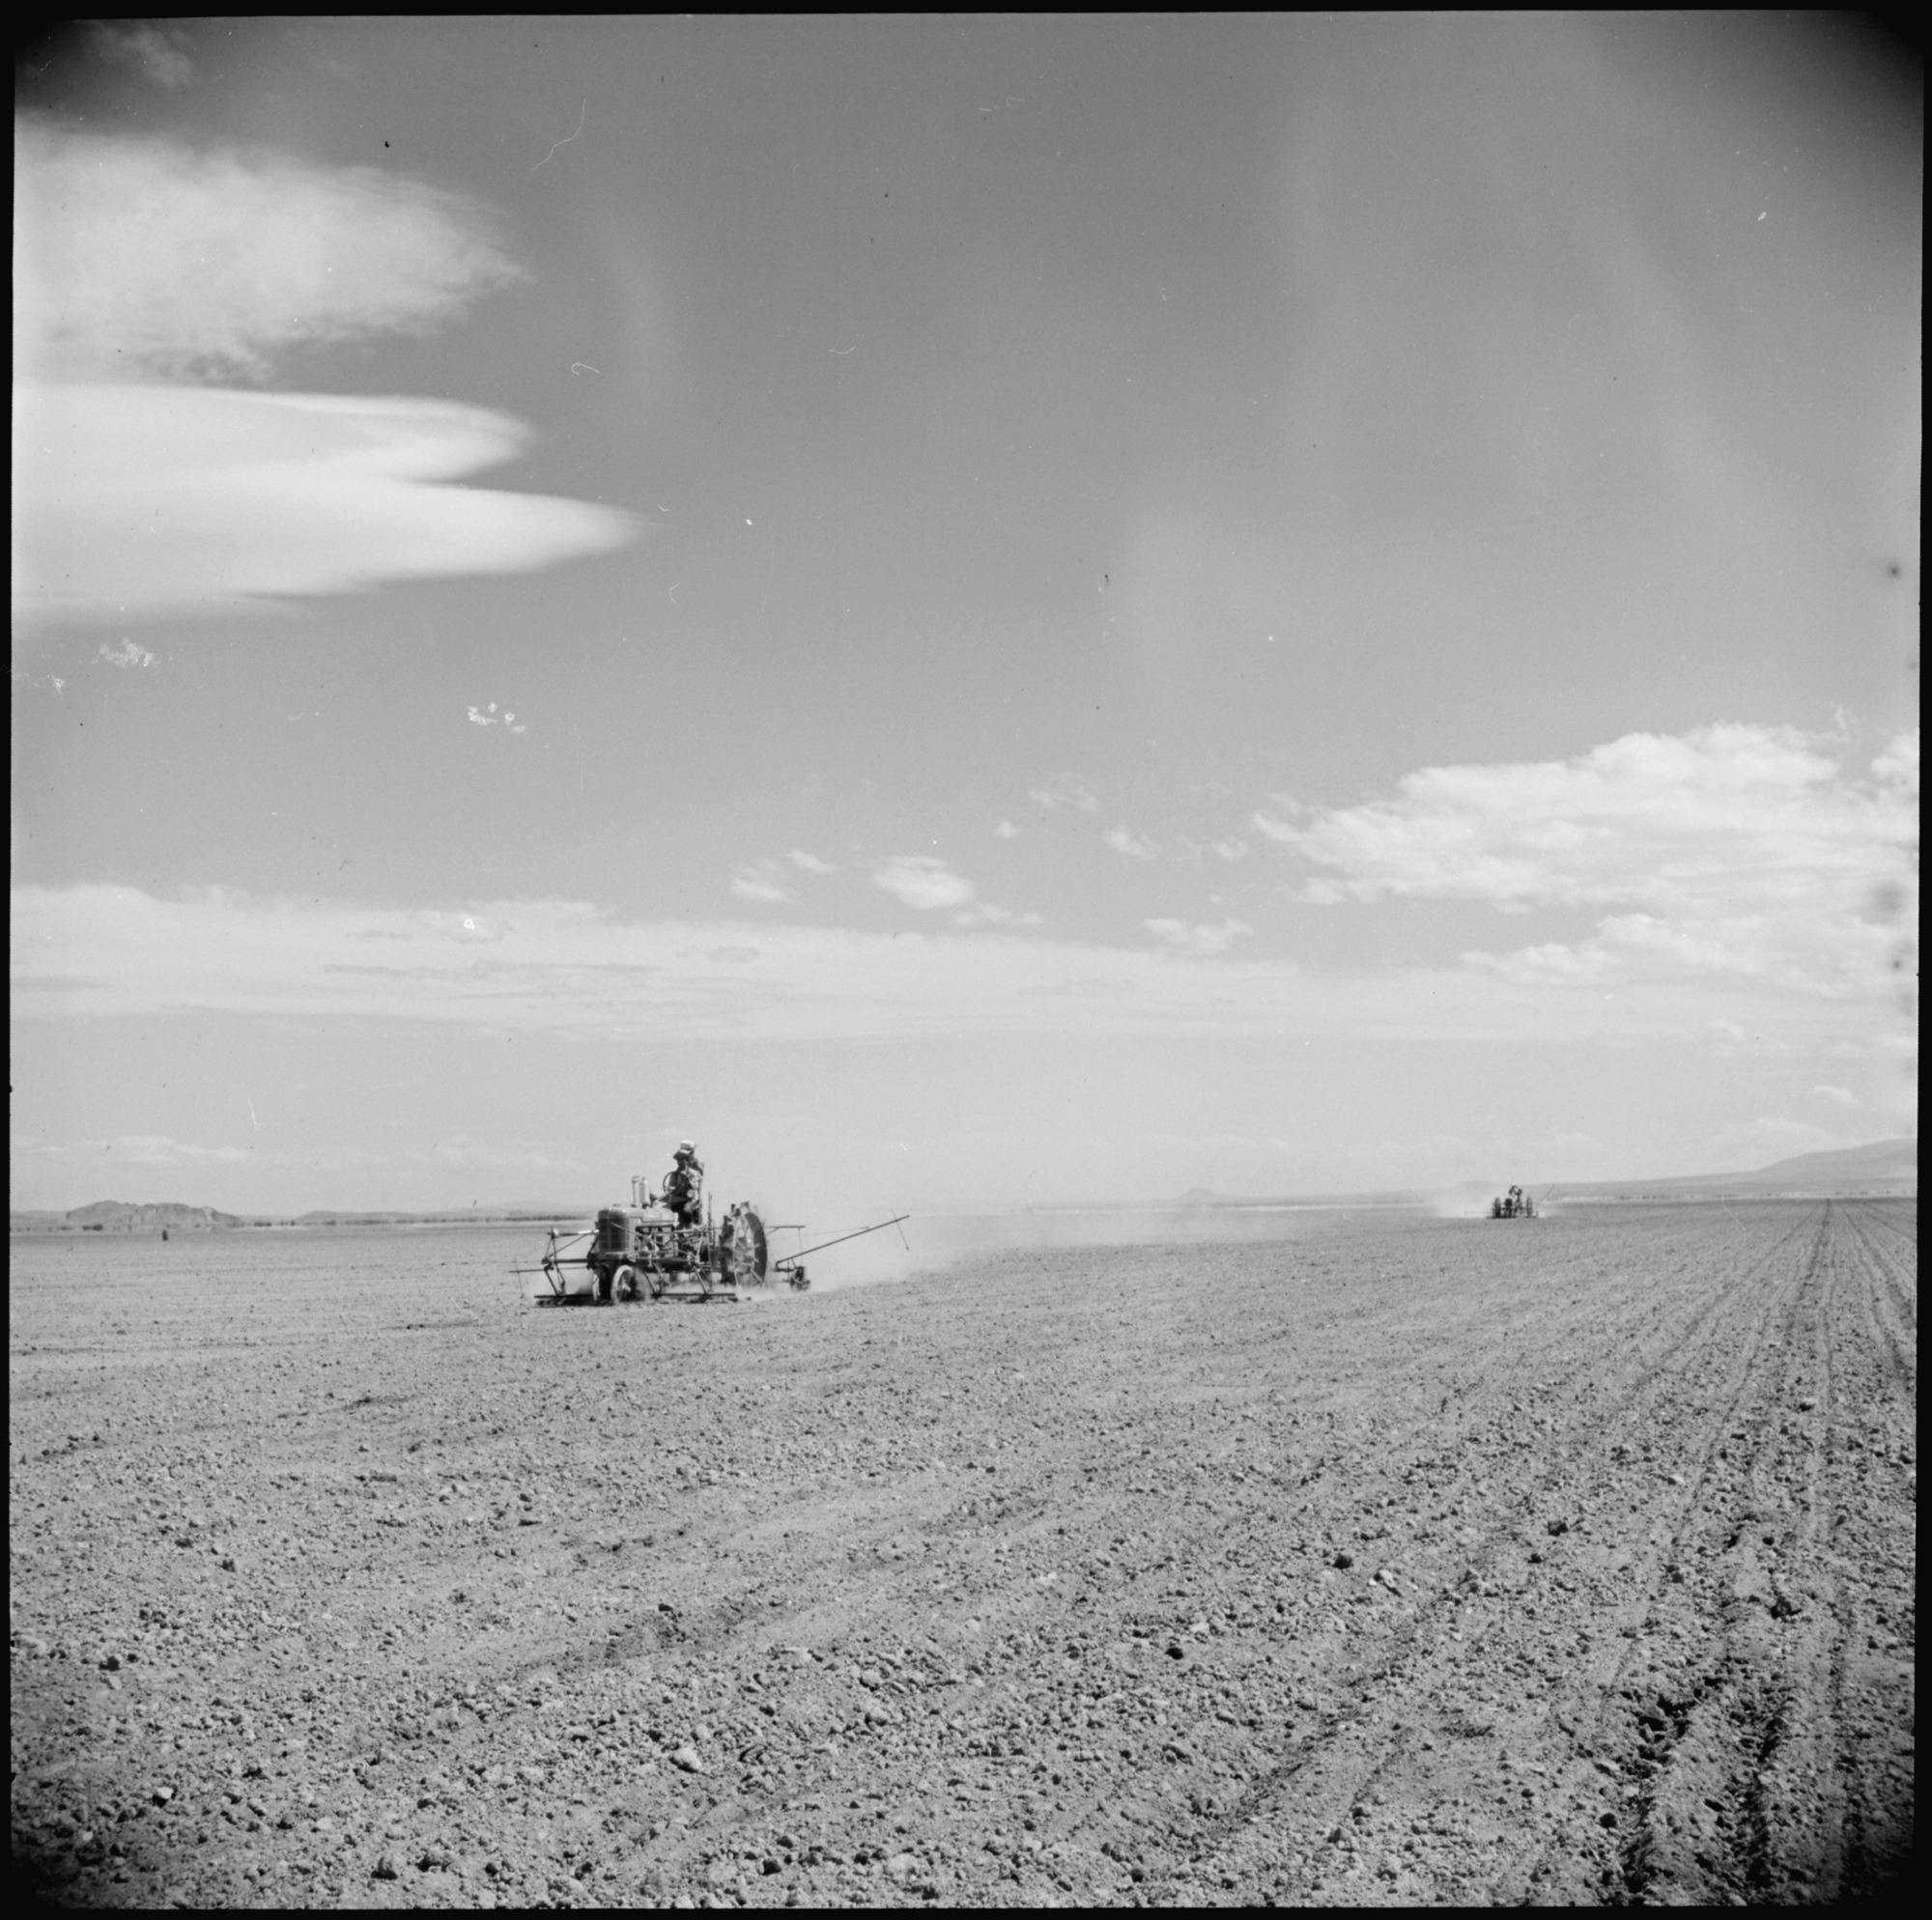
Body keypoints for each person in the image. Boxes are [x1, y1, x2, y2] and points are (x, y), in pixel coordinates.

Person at [662, 1142, 704, 1228]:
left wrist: (687, 1179)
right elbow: (671, 1189)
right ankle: (670, 1228)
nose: (681, 1162)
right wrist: (670, 1190)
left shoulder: (693, 1174)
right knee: (664, 1207)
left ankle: (689, 1231)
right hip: (679, 1200)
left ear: (687, 1161)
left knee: (686, 1209)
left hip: (692, 1202)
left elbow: (694, 1187)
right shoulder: (674, 1175)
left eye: (683, 1159)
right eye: (679, 1159)